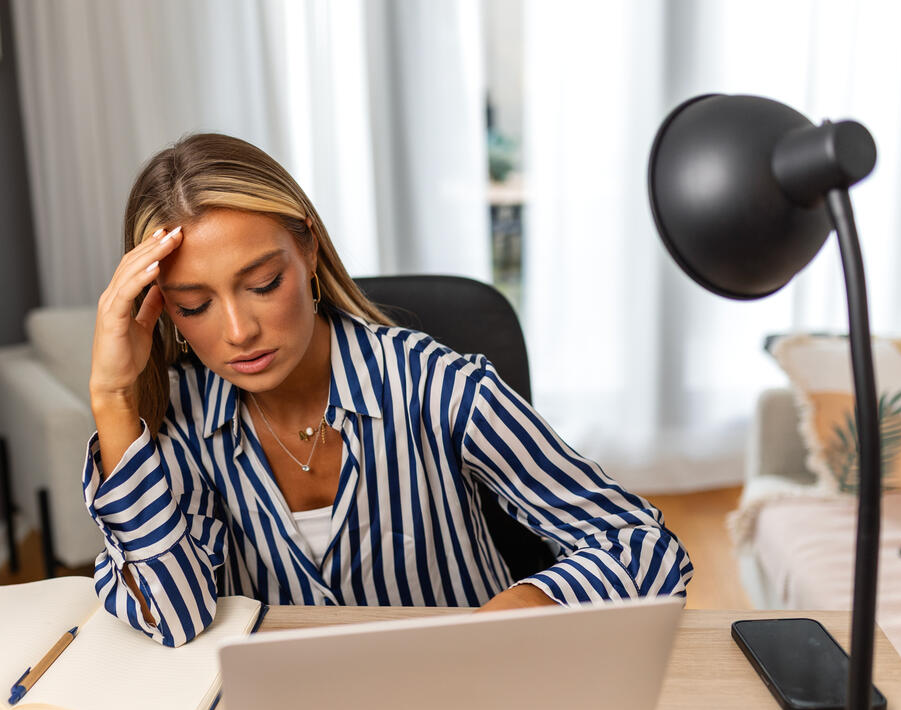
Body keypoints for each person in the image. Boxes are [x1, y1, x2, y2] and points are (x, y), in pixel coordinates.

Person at [84, 133, 692, 647]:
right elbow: (172, 618)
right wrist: (115, 400)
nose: (240, 332)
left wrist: (517, 612)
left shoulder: (438, 385)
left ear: (308, 251)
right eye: (195, 306)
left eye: (264, 284)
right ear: (163, 310)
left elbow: (643, 546)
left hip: (473, 697)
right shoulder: (178, 427)